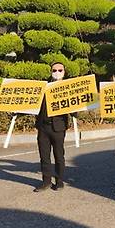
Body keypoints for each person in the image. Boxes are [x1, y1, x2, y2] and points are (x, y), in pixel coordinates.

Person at [34, 61, 71, 192]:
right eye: (54, 70)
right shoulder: (43, 86)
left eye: (60, 70)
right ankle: (46, 182)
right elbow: (32, 103)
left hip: (58, 127)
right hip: (43, 127)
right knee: (44, 156)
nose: (57, 73)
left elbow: (75, 105)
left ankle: (59, 181)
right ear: (51, 72)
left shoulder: (68, 88)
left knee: (59, 155)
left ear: (64, 72)